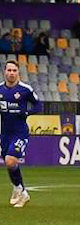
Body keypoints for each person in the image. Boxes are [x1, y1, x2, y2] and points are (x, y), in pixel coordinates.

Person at [0, 60, 41, 208]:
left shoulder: (25, 89)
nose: (11, 73)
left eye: (14, 70)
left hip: (20, 132)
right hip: (4, 134)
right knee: (9, 164)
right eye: (9, 70)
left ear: (18, 72)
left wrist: (26, 112)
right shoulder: (0, 90)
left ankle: (19, 189)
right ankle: (22, 192)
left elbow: (38, 105)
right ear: (5, 72)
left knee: (11, 160)